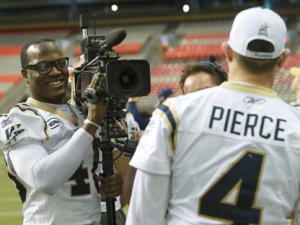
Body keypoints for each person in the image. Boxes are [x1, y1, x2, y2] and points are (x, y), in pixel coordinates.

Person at [126, 7, 300, 225]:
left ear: (227, 52)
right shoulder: (296, 126)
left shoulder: (175, 113)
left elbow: (142, 217)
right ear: (283, 58)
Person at [0, 37, 123, 225]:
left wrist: (110, 182)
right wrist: (90, 124)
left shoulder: (82, 112)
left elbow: (91, 172)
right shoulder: (18, 119)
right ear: (25, 74)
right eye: (43, 67)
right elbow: (43, 179)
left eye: (60, 63)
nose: (55, 72)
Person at [124, 57, 228, 205]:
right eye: (191, 96)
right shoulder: (171, 137)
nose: (198, 101)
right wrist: (143, 150)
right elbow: (136, 200)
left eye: (205, 92)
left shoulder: (243, 132)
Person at [69, 56, 139, 225]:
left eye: (100, 76)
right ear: (72, 76)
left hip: (107, 212)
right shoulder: (55, 117)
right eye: (87, 75)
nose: (94, 83)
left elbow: (125, 190)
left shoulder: (119, 119)